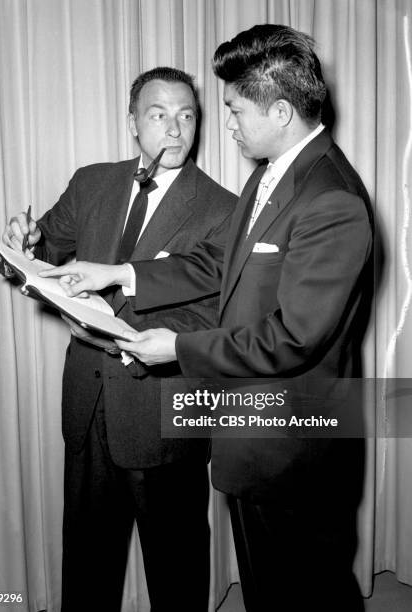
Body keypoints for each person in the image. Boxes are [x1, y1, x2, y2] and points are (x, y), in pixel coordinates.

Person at [42, 25, 374, 611]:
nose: (225, 124)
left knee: (308, 591)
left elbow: (294, 336)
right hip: (254, 433)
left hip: (295, 441)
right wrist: (120, 275)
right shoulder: (277, 172)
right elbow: (218, 262)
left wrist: (179, 349)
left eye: (232, 109)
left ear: (279, 110)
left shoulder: (331, 198)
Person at [2, 66, 236, 612]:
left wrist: (140, 330)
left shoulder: (225, 208)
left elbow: (215, 314)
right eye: (158, 116)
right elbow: (45, 253)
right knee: (87, 566)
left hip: (164, 409)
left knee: (176, 570)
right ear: (133, 122)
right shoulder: (91, 182)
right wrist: (24, 243)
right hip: (88, 403)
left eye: (187, 116)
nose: (174, 130)